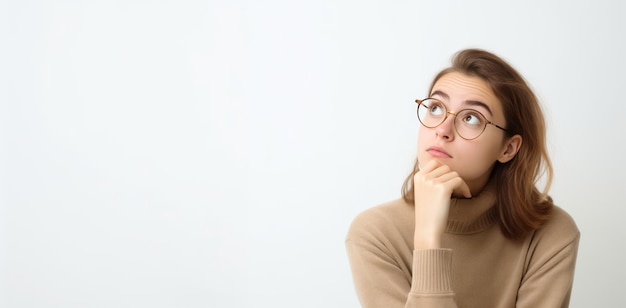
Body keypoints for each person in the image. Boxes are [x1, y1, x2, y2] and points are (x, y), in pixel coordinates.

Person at [345, 48, 579, 307]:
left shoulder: (550, 233)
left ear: (508, 148)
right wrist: (427, 239)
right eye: (436, 108)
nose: (443, 130)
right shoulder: (375, 234)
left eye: (471, 118)